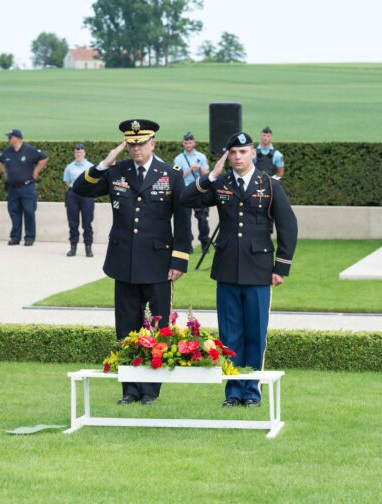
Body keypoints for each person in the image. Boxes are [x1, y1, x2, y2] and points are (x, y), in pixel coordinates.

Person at [73, 119, 191, 406]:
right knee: (126, 326)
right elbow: (81, 189)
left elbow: (183, 220)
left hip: (159, 262)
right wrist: (104, 162)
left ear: (153, 144)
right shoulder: (117, 171)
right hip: (123, 261)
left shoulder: (170, 174)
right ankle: (130, 388)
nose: (137, 149)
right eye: (132, 144)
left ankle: (151, 389)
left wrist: (179, 259)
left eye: (142, 143)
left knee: (158, 326)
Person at [180, 132, 297, 408]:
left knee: (256, 333)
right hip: (227, 269)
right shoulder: (220, 183)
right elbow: (187, 199)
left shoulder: (269, 184)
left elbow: (288, 226)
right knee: (230, 334)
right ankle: (232, 391)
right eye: (232, 152)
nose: (237, 157)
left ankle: (252, 391)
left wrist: (281, 266)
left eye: (242, 152)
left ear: (253, 153)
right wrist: (209, 176)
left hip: (258, 270)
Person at [0, 129, 48, 246]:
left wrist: (36, 170)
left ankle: (29, 237)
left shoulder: (29, 150)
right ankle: (15, 237)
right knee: (14, 212)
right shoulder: (7, 152)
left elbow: (44, 158)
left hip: (27, 187)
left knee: (29, 212)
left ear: (17, 138)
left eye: (10, 137)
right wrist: (5, 172)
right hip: (12, 188)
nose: (8, 139)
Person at [173, 132, 211, 252]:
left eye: (190, 142)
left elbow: (208, 175)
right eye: (186, 142)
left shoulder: (201, 156)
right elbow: (177, 176)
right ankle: (188, 244)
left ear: (194, 143)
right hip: (185, 191)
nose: (188, 144)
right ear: (183, 144)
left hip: (199, 191)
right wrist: (190, 169)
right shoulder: (178, 159)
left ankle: (205, 242)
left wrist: (199, 168)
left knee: (203, 218)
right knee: (185, 219)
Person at [62, 143, 95, 257]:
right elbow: (67, 181)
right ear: (74, 153)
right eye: (77, 152)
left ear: (84, 153)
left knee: (87, 223)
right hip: (73, 196)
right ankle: (73, 247)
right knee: (73, 223)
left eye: (80, 152)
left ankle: (88, 248)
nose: (78, 154)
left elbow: (95, 180)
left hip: (87, 196)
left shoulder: (90, 166)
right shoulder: (69, 167)